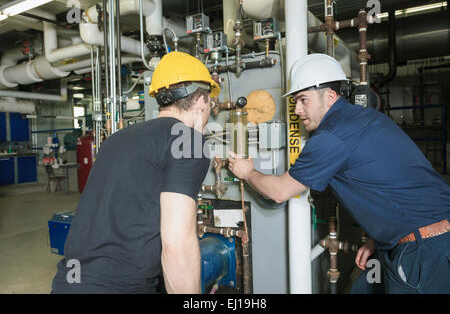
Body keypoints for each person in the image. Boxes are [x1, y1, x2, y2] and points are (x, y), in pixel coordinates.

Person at [228, 53, 450, 294]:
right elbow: (393, 181)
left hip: (423, 249)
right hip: (408, 239)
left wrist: (247, 172)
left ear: (330, 97)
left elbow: (280, 191)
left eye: (303, 100)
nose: (297, 110)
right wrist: (380, 238)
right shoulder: (365, 118)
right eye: (295, 101)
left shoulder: (332, 135)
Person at [51, 51, 220, 294]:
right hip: (119, 287)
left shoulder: (116, 139)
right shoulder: (188, 141)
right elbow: (177, 245)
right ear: (202, 101)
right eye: (210, 104)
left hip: (68, 282)